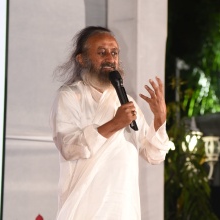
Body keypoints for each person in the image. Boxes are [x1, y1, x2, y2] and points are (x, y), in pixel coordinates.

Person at [50, 26, 173, 220]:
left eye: (114, 52)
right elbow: (69, 147)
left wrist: (159, 120)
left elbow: (153, 155)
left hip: (122, 208)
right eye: (102, 52)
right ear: (81, 59)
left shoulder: (124, 101)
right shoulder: (70, 97)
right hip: (84, 208)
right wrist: (115, 123)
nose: (110, 58)